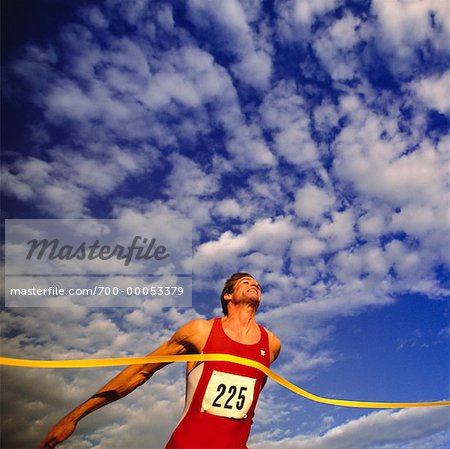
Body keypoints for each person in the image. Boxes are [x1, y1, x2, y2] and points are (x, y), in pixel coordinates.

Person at [38, 272, 281, 449]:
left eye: (258, 284)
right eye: (246, 282)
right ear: (228, 296)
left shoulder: (270, 345)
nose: (255, 285)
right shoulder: (200, 331)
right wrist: (74, 417)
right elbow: (139, 372)